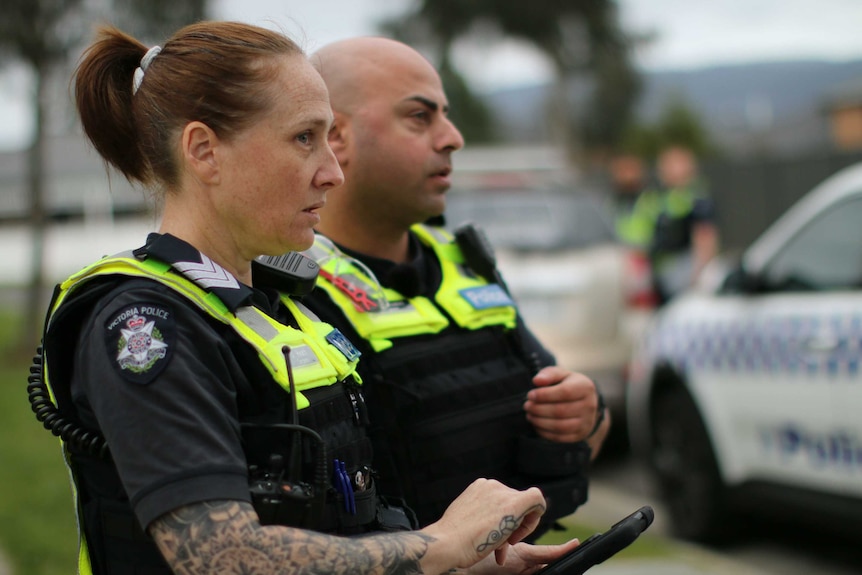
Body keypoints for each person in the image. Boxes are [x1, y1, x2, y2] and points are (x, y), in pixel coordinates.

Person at [31, 22, 582, 575]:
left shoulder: (280, 304)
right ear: (203, 151)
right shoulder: (146, 324)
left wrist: (463, 569)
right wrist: (439, 547)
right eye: (304, 139)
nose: (334, 172)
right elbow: (221, 556)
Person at [291, 36, 610, 541]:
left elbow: (574, 424)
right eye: (420, 117)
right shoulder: (285, 288)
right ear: (338, 136)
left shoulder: (465, 261)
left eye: (447, 115)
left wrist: (584, 415)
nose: (453, 138)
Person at [630, 145, 719, 304]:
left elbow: (705, 236)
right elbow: (641, 235)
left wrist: (700, 272)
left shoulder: (697, 198)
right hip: (657, 269)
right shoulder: (654, 197)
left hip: (683, 268)